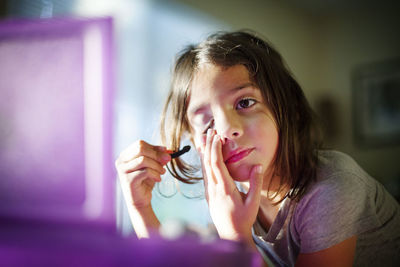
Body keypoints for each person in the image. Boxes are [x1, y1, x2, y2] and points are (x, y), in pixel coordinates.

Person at [115, 31, 400, 266]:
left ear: (284, 107)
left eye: (245, 102)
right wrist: (140, 208)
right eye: (207, 121)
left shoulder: (332, 189)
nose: (226, 129)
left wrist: (237, 238)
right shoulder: (231, 199)